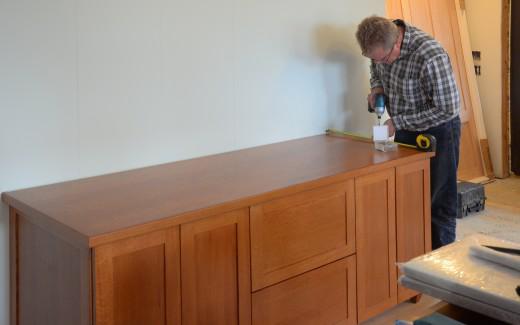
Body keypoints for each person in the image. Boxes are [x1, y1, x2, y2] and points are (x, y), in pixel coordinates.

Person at [355, 16, 461, 249]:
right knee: (410, 197)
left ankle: (439, 268)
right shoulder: (380, 47)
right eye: (373, 58)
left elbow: (449, 108)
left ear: (397, 43)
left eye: (383, 58)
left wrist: (399, 122)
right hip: (404, 127)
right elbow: (376, 67)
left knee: (438, 202)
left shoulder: (430, 55)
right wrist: (377, 87)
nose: (379, 62)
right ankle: (415, 257)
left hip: (439, 130)